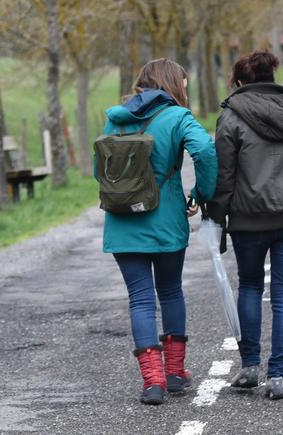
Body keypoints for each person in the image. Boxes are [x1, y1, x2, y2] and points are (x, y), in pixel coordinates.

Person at [208, 50, 283, 400]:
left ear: (239, 82)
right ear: (273, 76)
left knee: (248, 287)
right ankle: (278, 376)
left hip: (247, 221)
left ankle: (249, 367)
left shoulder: (230, 118)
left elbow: (224, 177)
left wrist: (216, 221)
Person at [100, 58, 217, 406]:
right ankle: (175, 373)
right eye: (183, 81)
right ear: (172, 84)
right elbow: (206, 151)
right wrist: (201, 193)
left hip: (122, 222)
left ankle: (152, 382)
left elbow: (99, 170)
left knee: (140, 298)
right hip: (165, 219)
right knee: (169, 291)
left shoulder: (115, 117)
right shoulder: (178, 117)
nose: (186, 87)